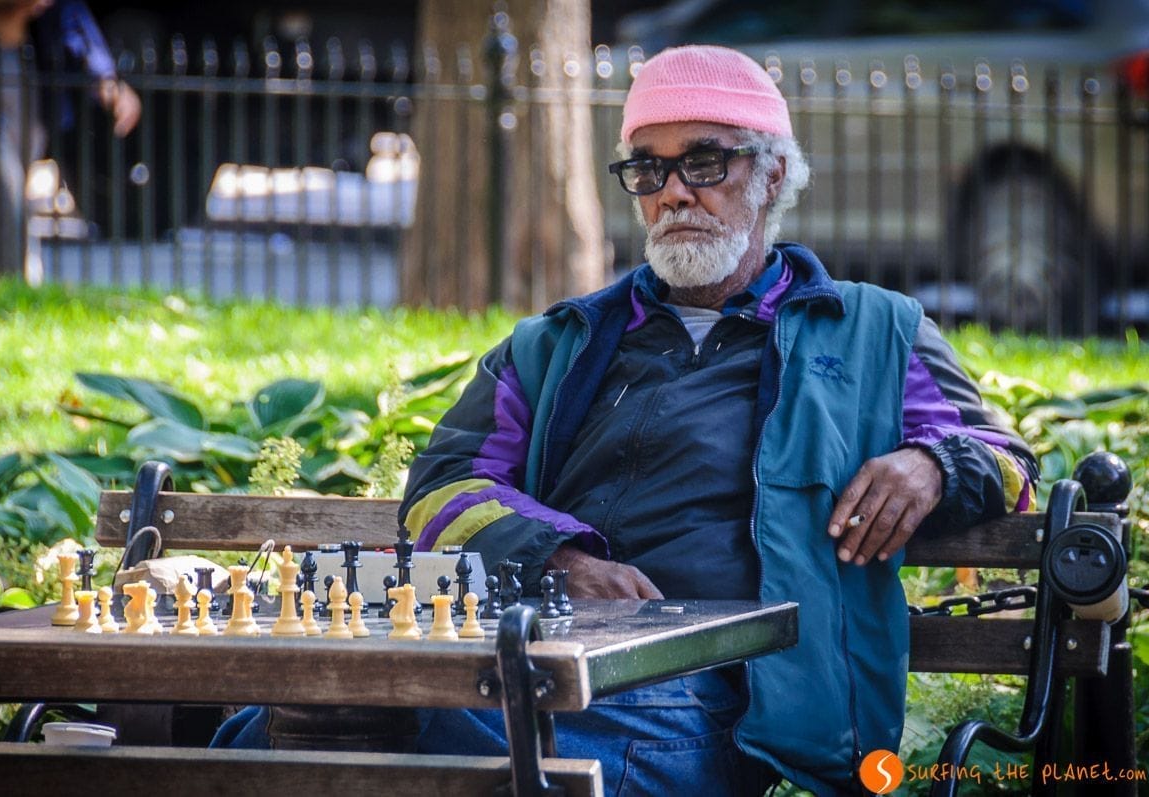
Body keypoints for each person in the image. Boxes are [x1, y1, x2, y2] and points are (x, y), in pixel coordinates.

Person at [212, 45, 1037, 796]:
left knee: (417, 733)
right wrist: (560, 556)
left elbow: (1005, 459)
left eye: (705, 162)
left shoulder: (874, 331)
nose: (675, 190)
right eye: (648, 169)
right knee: (281, 723)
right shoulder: (558, 343)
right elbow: (440, 489)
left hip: (730, 705)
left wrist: (930, 464)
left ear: (773, 176)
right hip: (548, 661)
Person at [0, 0, 140, 275]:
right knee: (5, 192)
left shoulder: (50, 23)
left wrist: (106, 76)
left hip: (26, 80)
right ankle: (13, 285)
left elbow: (72, 21)